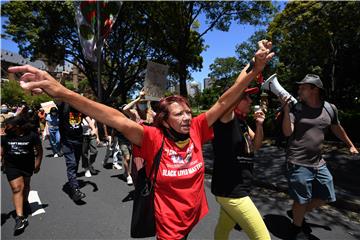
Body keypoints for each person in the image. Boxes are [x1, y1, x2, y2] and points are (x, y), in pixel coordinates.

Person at [8, 39, 274, 239]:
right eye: (178, 114)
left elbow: (225, 99)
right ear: (165, 119)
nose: (185, 118)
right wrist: (63, 92)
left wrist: (254, 66)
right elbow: (115, 118)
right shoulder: (152, 137)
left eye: (187, 113)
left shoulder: (196, 128)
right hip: (168, 228)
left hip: (194, 216)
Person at [281, 74, 359, 239]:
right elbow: (287, 132)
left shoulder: (330, 108)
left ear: (314, 90)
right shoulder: (297, 108)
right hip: (297, 161)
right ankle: (296, 227)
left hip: (318, 162)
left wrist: (350, 144)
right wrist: (286, 110)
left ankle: (296, 212)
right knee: (301, 200)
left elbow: (336, 127)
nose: (299, 90)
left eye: (303, 87)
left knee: (326, 196)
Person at [211, 87, 271, 240]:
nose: (251, 101)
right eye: (246, 98)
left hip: (237, 186)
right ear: (235, 100)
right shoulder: (225, 118)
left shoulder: (242, 122)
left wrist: (259, 125)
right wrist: (253, 70)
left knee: (223, 229)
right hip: (231, 190)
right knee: (263, 238)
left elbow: (256, 146)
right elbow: (226, 101)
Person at [0, 114, 43, 233]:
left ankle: (25, 202)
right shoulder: (5, 137)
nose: (6, 127)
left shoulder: (32, 136)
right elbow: (1, 151)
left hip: (27, 165)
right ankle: (20, 218)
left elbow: (39, 151)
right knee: (17, 188)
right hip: (11, 166)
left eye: (9, 125)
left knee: (26, 185)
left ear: (17, 126)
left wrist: (38, 164)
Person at [57, 101, 86, 202]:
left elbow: (91, 113)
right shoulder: (63, 107)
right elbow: (58, 97)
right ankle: (75, 190)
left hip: (78, 141)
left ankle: (73, 183)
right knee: (72, 164)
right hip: (67, 141)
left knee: (76, 163)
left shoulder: (81, 108)